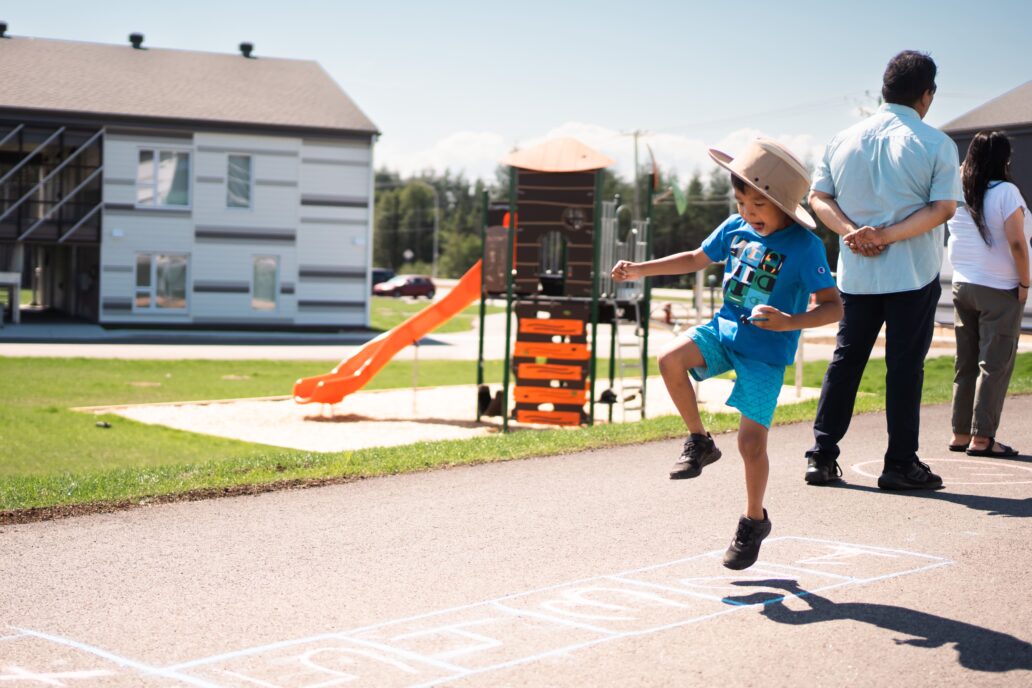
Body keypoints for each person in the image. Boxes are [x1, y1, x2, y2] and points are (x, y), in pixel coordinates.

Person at [611, 139, 842, 570]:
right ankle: (699, 441)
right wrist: (640, 269)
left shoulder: (805, 247)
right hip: (724, 332)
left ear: (784, 206)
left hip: (766, 353)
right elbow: (696, 258)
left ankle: (754, 520)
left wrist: (789, 322)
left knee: (751, 444)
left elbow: (833, 305)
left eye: (759, 205)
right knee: (670, 358)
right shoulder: (734, 228)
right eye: (741, 202)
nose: (749, 213)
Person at [804, 50, 963, 490]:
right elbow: (943, 209)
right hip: (911, 272)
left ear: (884, 88)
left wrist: (854, 233)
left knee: (846, 361)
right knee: (905, 367)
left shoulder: (842, 138)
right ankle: (898, 464)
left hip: (856, 273)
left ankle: (821, 455)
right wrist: (886, 236)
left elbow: (819, 198)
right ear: (927, 95)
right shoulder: (935, 143)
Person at [946, 131, 1029, 456]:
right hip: (999, 288)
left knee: (965, 363)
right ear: (1003, 159)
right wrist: (1024, 283)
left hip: (962, 286)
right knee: (994, 365)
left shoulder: (959, 193)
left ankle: (960, 433)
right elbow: (1018, 242)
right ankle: (983, 439)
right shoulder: (1007, 192)